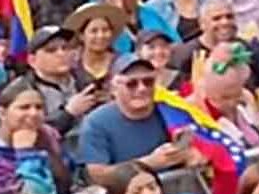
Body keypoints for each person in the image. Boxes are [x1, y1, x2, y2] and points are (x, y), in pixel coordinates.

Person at [78, 54, 195, 185]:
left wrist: (188, 155)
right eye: (131, 84)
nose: (142, 89)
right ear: (114, 88)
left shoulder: (170, 111)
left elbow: (202, 146)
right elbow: (98, 175)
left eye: (148, 82)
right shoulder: (96, 122)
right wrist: (148, 163)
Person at [0, 78, 73, 194]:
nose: (33, 113)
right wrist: (26, 152)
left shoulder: (48, 134)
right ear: (2, 113)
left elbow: (68, 176)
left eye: (38, 107)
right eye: (24, 107)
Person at [23, 26, 100, 139]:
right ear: (32, 60)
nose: (61, 54)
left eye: (65, 48)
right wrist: (68, 114)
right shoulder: (22, 91)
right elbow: (29, 133)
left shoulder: (88, 83)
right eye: (51, 50)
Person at [191, 42, 259, 148]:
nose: (231, 103)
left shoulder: (247, 98)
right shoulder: (196, 107)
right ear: (208, 92)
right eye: (224, 97)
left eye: (236, 95)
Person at [168, 0, 239, 82]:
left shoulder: (243, 48)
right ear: (202, 24)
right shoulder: (186, 55)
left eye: (229, 17)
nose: (225, 22)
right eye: (216, 18)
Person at [65, 2, 128, 90]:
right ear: (81, 36)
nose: (100, 36)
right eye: (94, 31)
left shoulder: (125, 62)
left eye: (105, 30)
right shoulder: (71, 64)